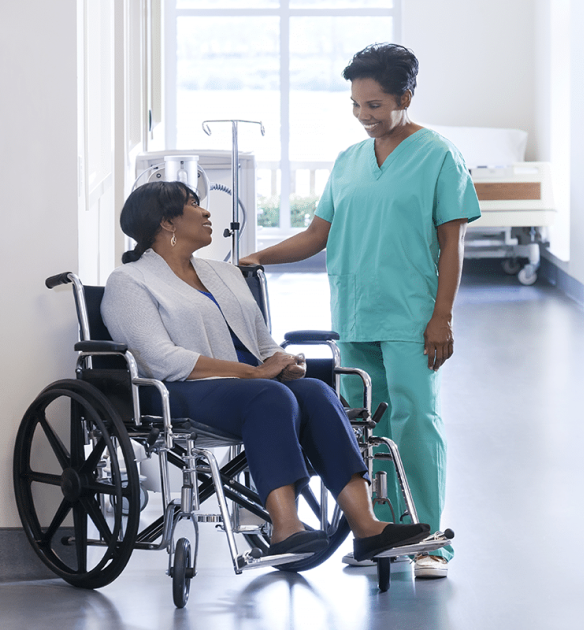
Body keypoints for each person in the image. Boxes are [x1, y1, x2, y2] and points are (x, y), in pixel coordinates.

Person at [240, 43, 481, 580]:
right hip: (353, 315)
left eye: (375, 106)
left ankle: (430, 541)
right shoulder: (349, 161)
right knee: (362, 429)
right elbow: (315, 236)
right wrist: (257, 257)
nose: (365, 117)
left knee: (416, 422)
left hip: (413, 316)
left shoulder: (439, 155)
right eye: (356, 105)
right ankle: (382, 534)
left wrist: (442, 316)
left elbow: (452, 243)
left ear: (405, 97)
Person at [101, 180, 431, 565]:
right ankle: (285, 528)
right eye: (194, 204)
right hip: (181, 390)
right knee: (269, 396)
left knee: (315, 393)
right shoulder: (129, 282)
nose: (207, 212)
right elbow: (160, 359)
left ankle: (368, 528)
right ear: (166, 222)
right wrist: (253, 374)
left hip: (250, 388)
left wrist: (285, 362)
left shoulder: (223, 273)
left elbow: (262, 344)